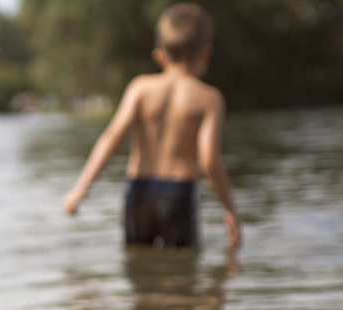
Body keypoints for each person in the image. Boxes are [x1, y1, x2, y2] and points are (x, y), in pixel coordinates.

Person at [62, 2, 241, 249]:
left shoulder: (140, 88)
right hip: (178, 192)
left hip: (138, 190)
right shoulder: (208, 98)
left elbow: (113, 136)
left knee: (138, 268)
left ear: (159, 55)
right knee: (181, 275)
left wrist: (80, 190)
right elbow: (209, 160)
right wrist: (230, 209)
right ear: (205, 53)